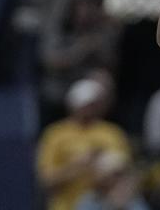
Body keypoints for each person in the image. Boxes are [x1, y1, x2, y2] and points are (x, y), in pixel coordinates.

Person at [36, 77, 131, 210]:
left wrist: (103, 169)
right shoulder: (55, 135)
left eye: (94, 104)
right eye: (85, 104)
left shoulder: (112, 133)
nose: (89, 109)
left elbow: (126, 175)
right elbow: (46, 182)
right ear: (72, 104)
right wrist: (77, 166)